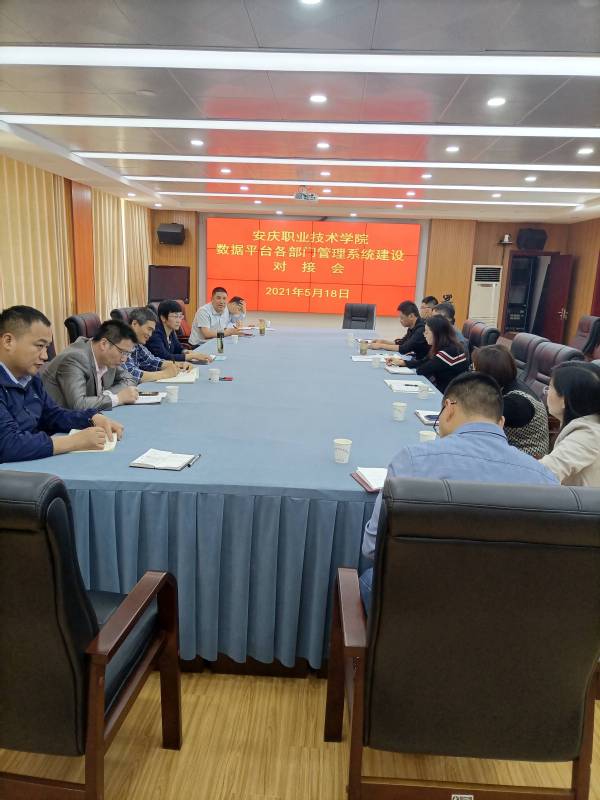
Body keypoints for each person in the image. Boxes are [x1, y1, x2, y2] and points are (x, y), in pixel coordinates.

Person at [360, 372, 558, 611]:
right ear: (501, 423)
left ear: (449, 408)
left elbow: (373, 546)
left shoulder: (412, 461)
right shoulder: (545, 478)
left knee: (370, 578)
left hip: (421, 605)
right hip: (507, 609)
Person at [0, 305, 123, 463]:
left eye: (46, 347)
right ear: (8, 341)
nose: (45, 356)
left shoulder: (30, 378)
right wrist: (74, 442)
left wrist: (91, 418)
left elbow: (53, 415)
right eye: (39, 346)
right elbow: (8, 445)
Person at [41, 319, 140, 411]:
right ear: (104, 344)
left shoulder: (108, 358)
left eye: (127, 354)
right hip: (57, 420)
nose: (124, 359)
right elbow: (78, 405)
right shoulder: (75, 358)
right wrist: (117, 398)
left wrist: (107, 394)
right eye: (122, 352)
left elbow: (129, 379)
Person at [473, 345, 549, 458]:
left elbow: (478, 424)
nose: (472, 374)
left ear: (488, 374)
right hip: (509, 450)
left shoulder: (515, 403)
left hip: (526, 459)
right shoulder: (507, 384)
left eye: (475, 370)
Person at [541, 362, 600, 486]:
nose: (546, 392)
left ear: (564, 399)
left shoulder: (588, 435)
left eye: (550, 387)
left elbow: (543, 473)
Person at [386, 314, 468, 393]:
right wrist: (402, 362)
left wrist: (407, 364)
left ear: (437, 334)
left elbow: (422, 369)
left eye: (427, 332)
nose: (424, 334)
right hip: (444, 389)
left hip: (451, 394)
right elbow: (424, 361)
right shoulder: (447, 346)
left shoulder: (449, 352)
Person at [124, 307, 186, 383]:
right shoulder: (121, 342)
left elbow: (152, 361)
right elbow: (129, 374)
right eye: (149, 329)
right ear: (134, 324)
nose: (150, 334)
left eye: (152, 331)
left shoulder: (137, 345)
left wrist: (179, 365)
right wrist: (165, 374)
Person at [146, 300, 213, 364]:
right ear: (163, 318)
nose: (179, 321)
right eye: (175, 317)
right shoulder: (154, 333)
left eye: (180, 316)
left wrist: (186, 351)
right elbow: (164, 357)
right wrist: (191, 356)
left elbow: (178, 348)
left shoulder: (170, 330)